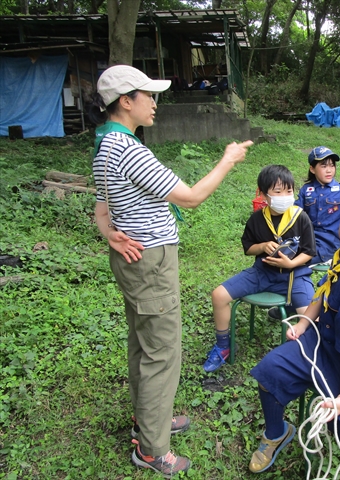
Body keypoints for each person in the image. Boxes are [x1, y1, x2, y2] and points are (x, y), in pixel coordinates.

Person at [89, 65, 252, 477]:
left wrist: (109, 232)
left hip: (132, 259)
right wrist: (229, 158)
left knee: (144, 343)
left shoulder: (105, 144)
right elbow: (193, 197)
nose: (155, 103)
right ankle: (152, 448)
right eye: (148, 95)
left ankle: (149, 421)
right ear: (126, 102)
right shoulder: (128, 149)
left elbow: (101, 206)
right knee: (162, 352)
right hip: (150, 263)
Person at [249, 193, 340, 480]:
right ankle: (277, 433)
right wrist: (303, 324)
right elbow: (324, 290)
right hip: (324, 341)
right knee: (269, 372)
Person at [204, 165, 316, 373]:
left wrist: (291, 264)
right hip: (262, 273)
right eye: (278, 191)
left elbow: (309, 252)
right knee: (219, 295)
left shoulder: (300, 217)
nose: (285, 196)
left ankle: (305, 357)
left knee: (311, 317)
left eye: (289, 191)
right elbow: (248, 248)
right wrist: (263, 246)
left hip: (295, 277)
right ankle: (222, 346)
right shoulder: (257, 219)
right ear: (264, 195)